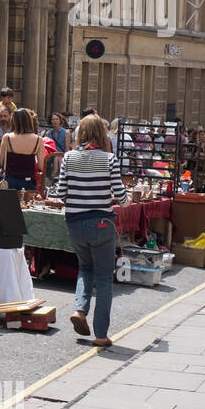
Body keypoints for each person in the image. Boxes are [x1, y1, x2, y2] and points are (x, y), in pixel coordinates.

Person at [48, 115, 130, 347]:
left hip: (75, 223)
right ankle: (101, 335)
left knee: (85, 268)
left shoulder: (69, 158)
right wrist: (114, 198)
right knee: (104, 278)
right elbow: (122, 198)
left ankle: (80, 310)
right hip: (101, 224)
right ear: (102, 134)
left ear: (80, 134)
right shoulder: (109, 159)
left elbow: (61, 193)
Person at [0, 108, 46, 191]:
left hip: (10, 181)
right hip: (28, 181)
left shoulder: (7, 137)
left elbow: (1, 162)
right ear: (29, 121)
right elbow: (41, 166)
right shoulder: (38, 140)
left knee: (8, 203)